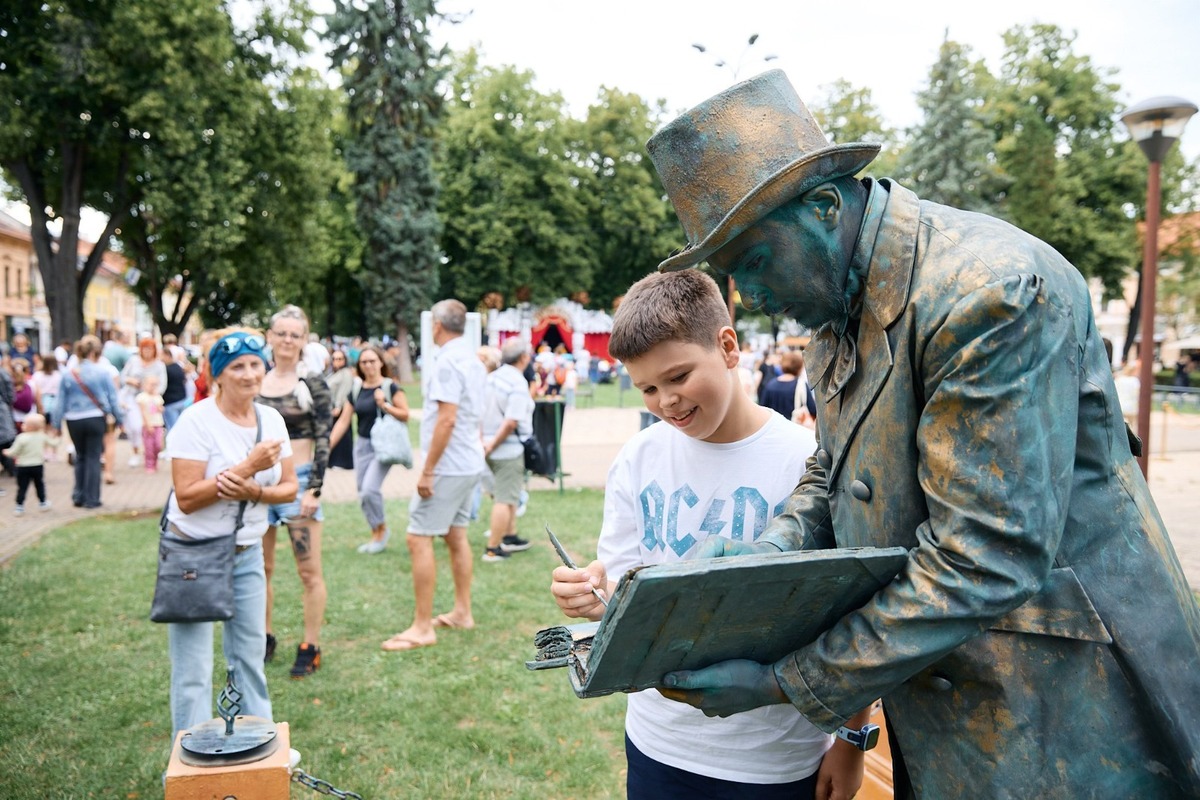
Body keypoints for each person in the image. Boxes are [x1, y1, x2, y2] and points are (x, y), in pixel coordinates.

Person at [642, 70, 1200, 797]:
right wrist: (765, 553)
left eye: (753, 260)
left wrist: (790, 681)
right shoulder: (835, 322)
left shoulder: (987, 291)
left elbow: (984, 558)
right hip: (952, 705)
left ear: (824, 205)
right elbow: (834, 471)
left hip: (1068, 707)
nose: (752, 297)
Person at [551, 270, 868, 800]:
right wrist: (592, 593)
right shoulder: (638, 458)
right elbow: (623, 589)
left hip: (773, 757)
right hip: (658, 742)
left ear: (727, 346)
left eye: (677, 377)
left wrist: (851, 739)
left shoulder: (808, 460)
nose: (666, 401)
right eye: (648, 388)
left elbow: (854, 609)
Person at [164, 329, 297, 741]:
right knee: (193, 670)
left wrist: (256, 490)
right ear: (217, 374)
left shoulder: (271, 419)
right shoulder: (195, 420)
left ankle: (259, 750)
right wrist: (248, 466)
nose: (249, 374)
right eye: (237, 366)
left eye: (256, 364)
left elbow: (289, 487)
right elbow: (186, 498)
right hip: (195, 554)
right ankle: (187, 764)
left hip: (247, 553)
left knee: (249, 658)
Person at [381, 300, 485, 650]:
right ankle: (462, 612)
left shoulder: (446, 362)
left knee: (418, 536)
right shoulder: (471, 359)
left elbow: (447, 419)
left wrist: (427, 471)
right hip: (468, 461)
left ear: (437, 326)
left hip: (449, 466)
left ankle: (423, 627)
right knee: (456, 536)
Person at [257, 305, 333, 679]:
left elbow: (324, 436)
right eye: (281, 333)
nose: (287, 340)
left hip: (300, 481)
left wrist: (315, 488)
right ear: (270, 336)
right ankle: (264, 637)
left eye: (295, 334)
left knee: (308, 571)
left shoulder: (313, 383)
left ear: (304, 341)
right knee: (260, 569)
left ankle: (310, 645)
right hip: (259, 484)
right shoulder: (256, 378)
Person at [328, 345, 409, 554]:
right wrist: (326, 448)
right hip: (362, 445)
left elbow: (405, 414)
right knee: (362, 493)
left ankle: (381, 530)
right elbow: (343, 422)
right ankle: (376, 530)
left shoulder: (390, 387)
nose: (369, 365)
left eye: (373, 361)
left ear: (381, 362)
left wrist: (385, 405)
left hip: (383, 447)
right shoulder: (356, 391)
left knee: (370, 490)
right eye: (364, 362)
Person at [480, 339, 534, 563]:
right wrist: (494, 443)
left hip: (486, 444)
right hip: (506, 447)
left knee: (509, 494)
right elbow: (512, 420)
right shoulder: (517, 383)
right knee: (504, 498)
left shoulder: (490, 379)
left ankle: (510, 536)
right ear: (523, 358)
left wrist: (485, 442)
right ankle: (493, 548)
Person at [54, 335, 122, 509]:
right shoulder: (102, 372)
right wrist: (119, 418)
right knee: (93, 457)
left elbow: (60, 401)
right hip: (95, 417)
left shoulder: (69, 374)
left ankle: (78, 495)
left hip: (73, 419)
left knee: (80, 457)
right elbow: (113, 398)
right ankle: (92, 499)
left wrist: (56, 424)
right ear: (95, 352)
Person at [120, 338, 167, 468]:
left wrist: (153, 393)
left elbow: (162, 384)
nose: (147, 352)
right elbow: (123, 376)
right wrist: (131, 381)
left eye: (150, 349)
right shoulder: (133, 361)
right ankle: (135, 451)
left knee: (151, 427)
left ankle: (150, 453)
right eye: (145, 348)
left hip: (149, 401)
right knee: (135, 426)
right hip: (133, 397)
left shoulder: (159, 365)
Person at [3, 411, 56, 513]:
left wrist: (6, 452)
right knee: (39, 484)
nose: (22, 425)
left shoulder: (21, 438)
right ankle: (43, 502)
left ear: (30, 426)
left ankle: (19, 506)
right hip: (37, 466)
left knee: (22, 486)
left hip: (23, 467)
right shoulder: (42, 436)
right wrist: (57, 437)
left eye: (24, 423)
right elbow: (53, 443)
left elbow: (14, 451)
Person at [325, 349, 355, 470]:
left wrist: (338, 406)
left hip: (341, 407)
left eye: (339, 359)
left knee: (342, 435)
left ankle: (342, 462)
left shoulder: (346, 373)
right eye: (335, 359)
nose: (336, 361)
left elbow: (344, 391)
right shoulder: (332, 374)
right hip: (331, 407)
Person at [759, 350, 805, 422]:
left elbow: (763, 408)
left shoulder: (771, 384)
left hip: (773, 426)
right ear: (799, 366)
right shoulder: (800, 384)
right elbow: (812, 409)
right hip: (793, 426)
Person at [136, 373, 166, 473]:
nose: (153, 387)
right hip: (147, 425)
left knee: (158, 445)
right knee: (149, 446)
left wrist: (160, 408)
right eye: (151, 384)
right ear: (145, 385)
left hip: (158, 423)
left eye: (155, 384)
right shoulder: (142, 397)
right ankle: (149, 464)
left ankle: (155, 461)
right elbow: (142, 412)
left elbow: (161, 409)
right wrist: (147, 424)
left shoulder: (158, 397)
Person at [31, 353, 63, 437]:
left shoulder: (37, 375)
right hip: (55, 403)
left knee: (42, 427)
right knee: (54, 428)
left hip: (41, 402)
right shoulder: (59, 375)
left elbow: (34, 390)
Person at [161, 341, 189, 432]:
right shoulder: (178, 367)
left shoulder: (165, 369)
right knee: (181, 427)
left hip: (170, 402)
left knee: (173, 429)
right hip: (181, 400)